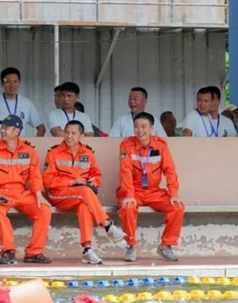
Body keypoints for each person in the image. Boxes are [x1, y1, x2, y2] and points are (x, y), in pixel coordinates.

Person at [43, 120, 125, 265]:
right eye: (67, 132)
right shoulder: (54, 153)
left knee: (85, 206)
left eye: (73, 133)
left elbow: (96, 175)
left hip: (80, 196)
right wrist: (71, 182)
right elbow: (47, 181)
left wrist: (93, 183)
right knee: (85, 192)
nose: (69, 136)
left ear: (81, 136)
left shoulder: (88, 153)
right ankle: (107, 225)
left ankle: (87, 249)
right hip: (59, 195)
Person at [0, 114, 52, 265]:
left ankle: (34, 253)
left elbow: (34, 177)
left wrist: (39, 195)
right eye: (2, 127)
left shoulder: (29, 150)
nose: (2, 131)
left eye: (6, 128)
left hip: (21, 192)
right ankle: (8, 251)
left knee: (44, 210)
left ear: (16, 131)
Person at [117, 112, 184, 262]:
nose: (139, 130)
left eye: (143, 127)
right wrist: (129, 194)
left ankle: (166, 245)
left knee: (177, 206)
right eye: (136, 127)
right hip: (133, 190)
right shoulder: (127, 145)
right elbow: (125, 171)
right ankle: (131, 245)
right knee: (128, 208)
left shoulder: (161, 145)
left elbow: (170, 170)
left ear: (152, 128)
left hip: (153, 192)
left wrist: (173, 193)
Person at [0, 67, 45, 137]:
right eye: (8, 82)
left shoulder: (26, 103)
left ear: (19, 83)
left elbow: (41, 128)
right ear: (2, 84)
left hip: (20, 145)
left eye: (15, 81)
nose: (12, 85)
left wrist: (35, 145)